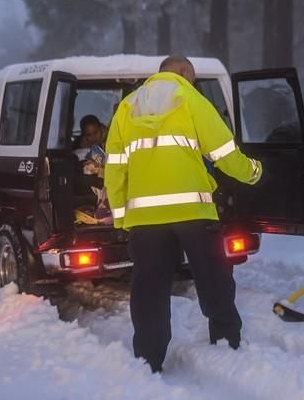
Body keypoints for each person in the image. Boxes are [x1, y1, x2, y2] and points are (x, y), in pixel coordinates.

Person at [104, 54, 262, 373]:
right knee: (212, 273)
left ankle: (148, 358)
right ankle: (225, 337)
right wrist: (253, 172)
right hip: (192, 210)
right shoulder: (190, 98)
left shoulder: (127, 107)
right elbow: (223, 151)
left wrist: (122, 216)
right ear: (185, 72)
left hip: (145, 219)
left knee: (149, 286)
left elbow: (115, 168)